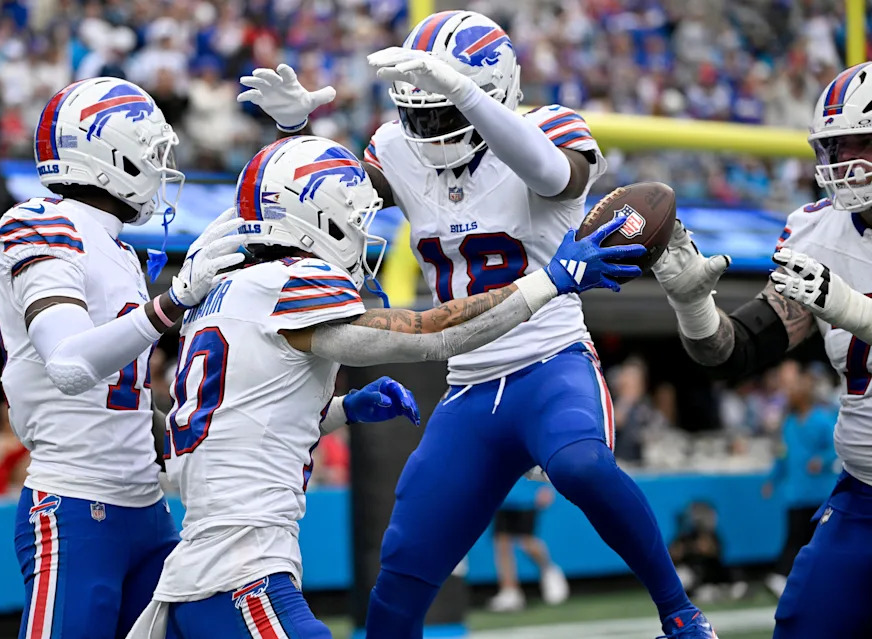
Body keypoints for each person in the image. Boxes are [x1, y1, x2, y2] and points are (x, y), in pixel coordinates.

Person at [238, 11, 715, 639]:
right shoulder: (396, 147)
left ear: (490, 92)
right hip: (468, 381)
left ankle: (681, 615)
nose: (428, 130)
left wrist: (461, 91)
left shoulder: (550, 130)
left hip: (550, 360)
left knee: (581, 465)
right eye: (418, 114)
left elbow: (551, 174)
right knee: (403, 567)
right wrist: (296, 130)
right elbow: (334, 195)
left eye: (443, 111)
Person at [125, 134, 644, 639]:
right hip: (241, 571)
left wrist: (343, 408)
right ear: (321, 219)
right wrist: (550, 279)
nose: (361, 231)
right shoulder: (288, 283)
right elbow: (434, 334)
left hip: (198, 571)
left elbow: (239, 418)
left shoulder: (218, 294)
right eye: (354, 218)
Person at [0, 77, 246, 639]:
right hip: (77, 503)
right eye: (152, 152)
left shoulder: (120, 249)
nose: (161, 167)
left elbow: (122, 402)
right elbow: (69, 364)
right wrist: (172, 303)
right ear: (110, 157)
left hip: (148, 510)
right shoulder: (40, 223)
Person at [651, 62, 872, 638]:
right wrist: (694, 307)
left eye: (862, 145)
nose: (846, 162)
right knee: (805, 625)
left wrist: (851, 309)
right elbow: (737, 352)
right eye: (837, 147)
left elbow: (849, 311)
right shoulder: (818, 232)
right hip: (864, 495)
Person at [761, 366, 837, 599]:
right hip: (796, 493)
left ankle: (817, 581)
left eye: (794, 390)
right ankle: (783, 576)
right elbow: (783, 456)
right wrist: (772, 480)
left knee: (819, 540)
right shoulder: (789, 424)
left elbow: (836, 446)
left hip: (819, 493)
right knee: (795, 537)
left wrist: (821, 460)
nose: (790, 394)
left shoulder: (822, 420)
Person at [488, 481, 568, 612]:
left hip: (527, 498)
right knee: (502, 545)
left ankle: (549, 569)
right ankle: (510, 591)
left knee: (527, 543)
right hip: (502, 498)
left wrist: (547, 487)